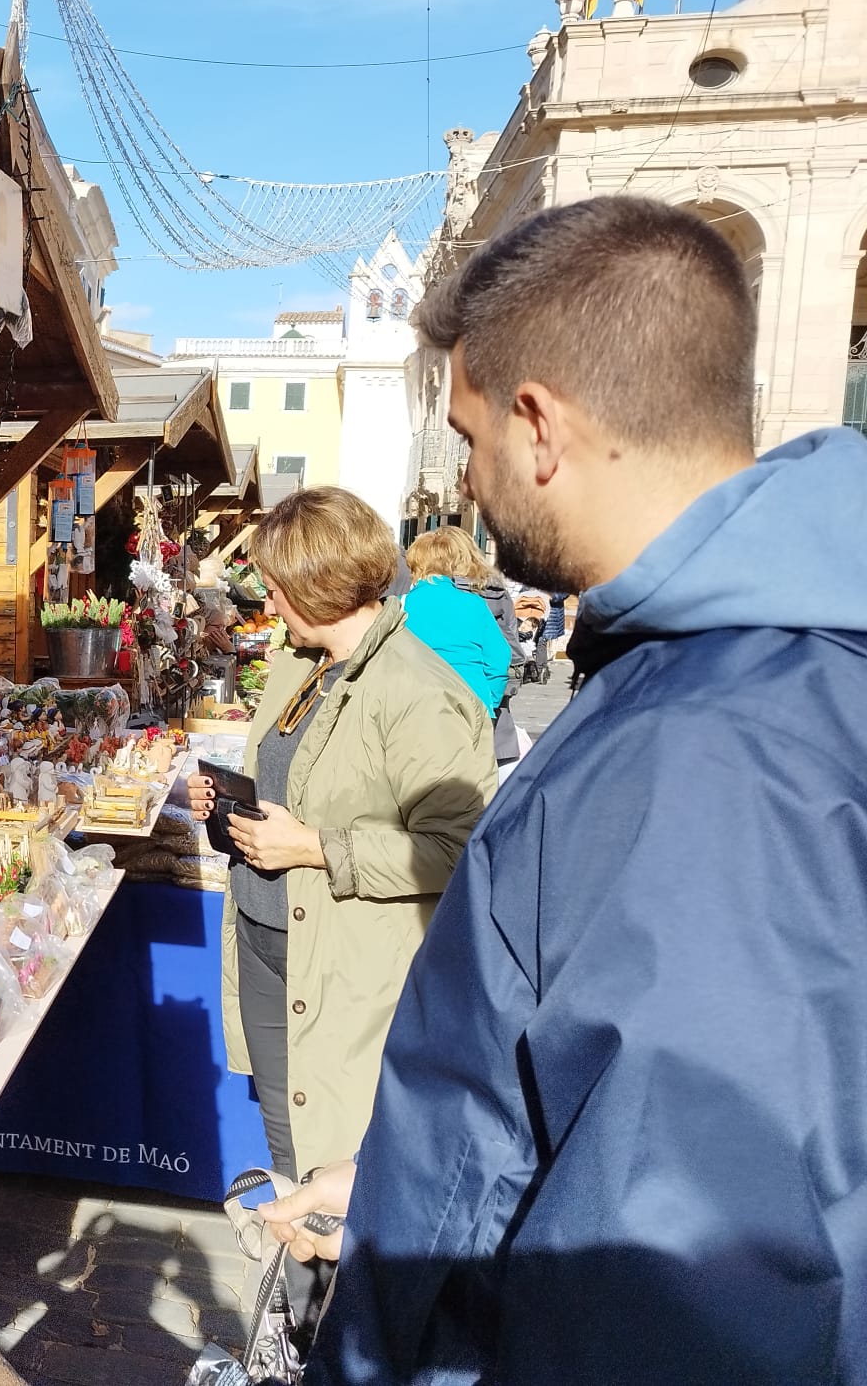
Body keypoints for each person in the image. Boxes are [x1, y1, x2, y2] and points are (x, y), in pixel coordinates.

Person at [259, 196, 867, 1382]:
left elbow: (672, 1279)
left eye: (468, 435)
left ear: (537, 427)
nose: (468, 483)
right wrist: (397, 1180)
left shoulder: (713, 758)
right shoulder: (715, 686)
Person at [208, 487, 495, 1186]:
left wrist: (313, 847)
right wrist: (226, 806)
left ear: (318, 584)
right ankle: (297, 1292)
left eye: (275, 590)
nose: (267, 606)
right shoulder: (301, 667)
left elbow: (460, 851)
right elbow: (287, 787)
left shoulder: (419, 692)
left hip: (344, 975)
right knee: (291, 1160)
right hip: (268, 946)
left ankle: (326, 1295)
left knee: (336, 1174)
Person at [401, 527, 515, 731]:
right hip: (470, 704)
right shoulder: (474, 604)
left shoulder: (402, 605)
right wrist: (489, 700)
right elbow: (499, 656)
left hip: (416, 705)